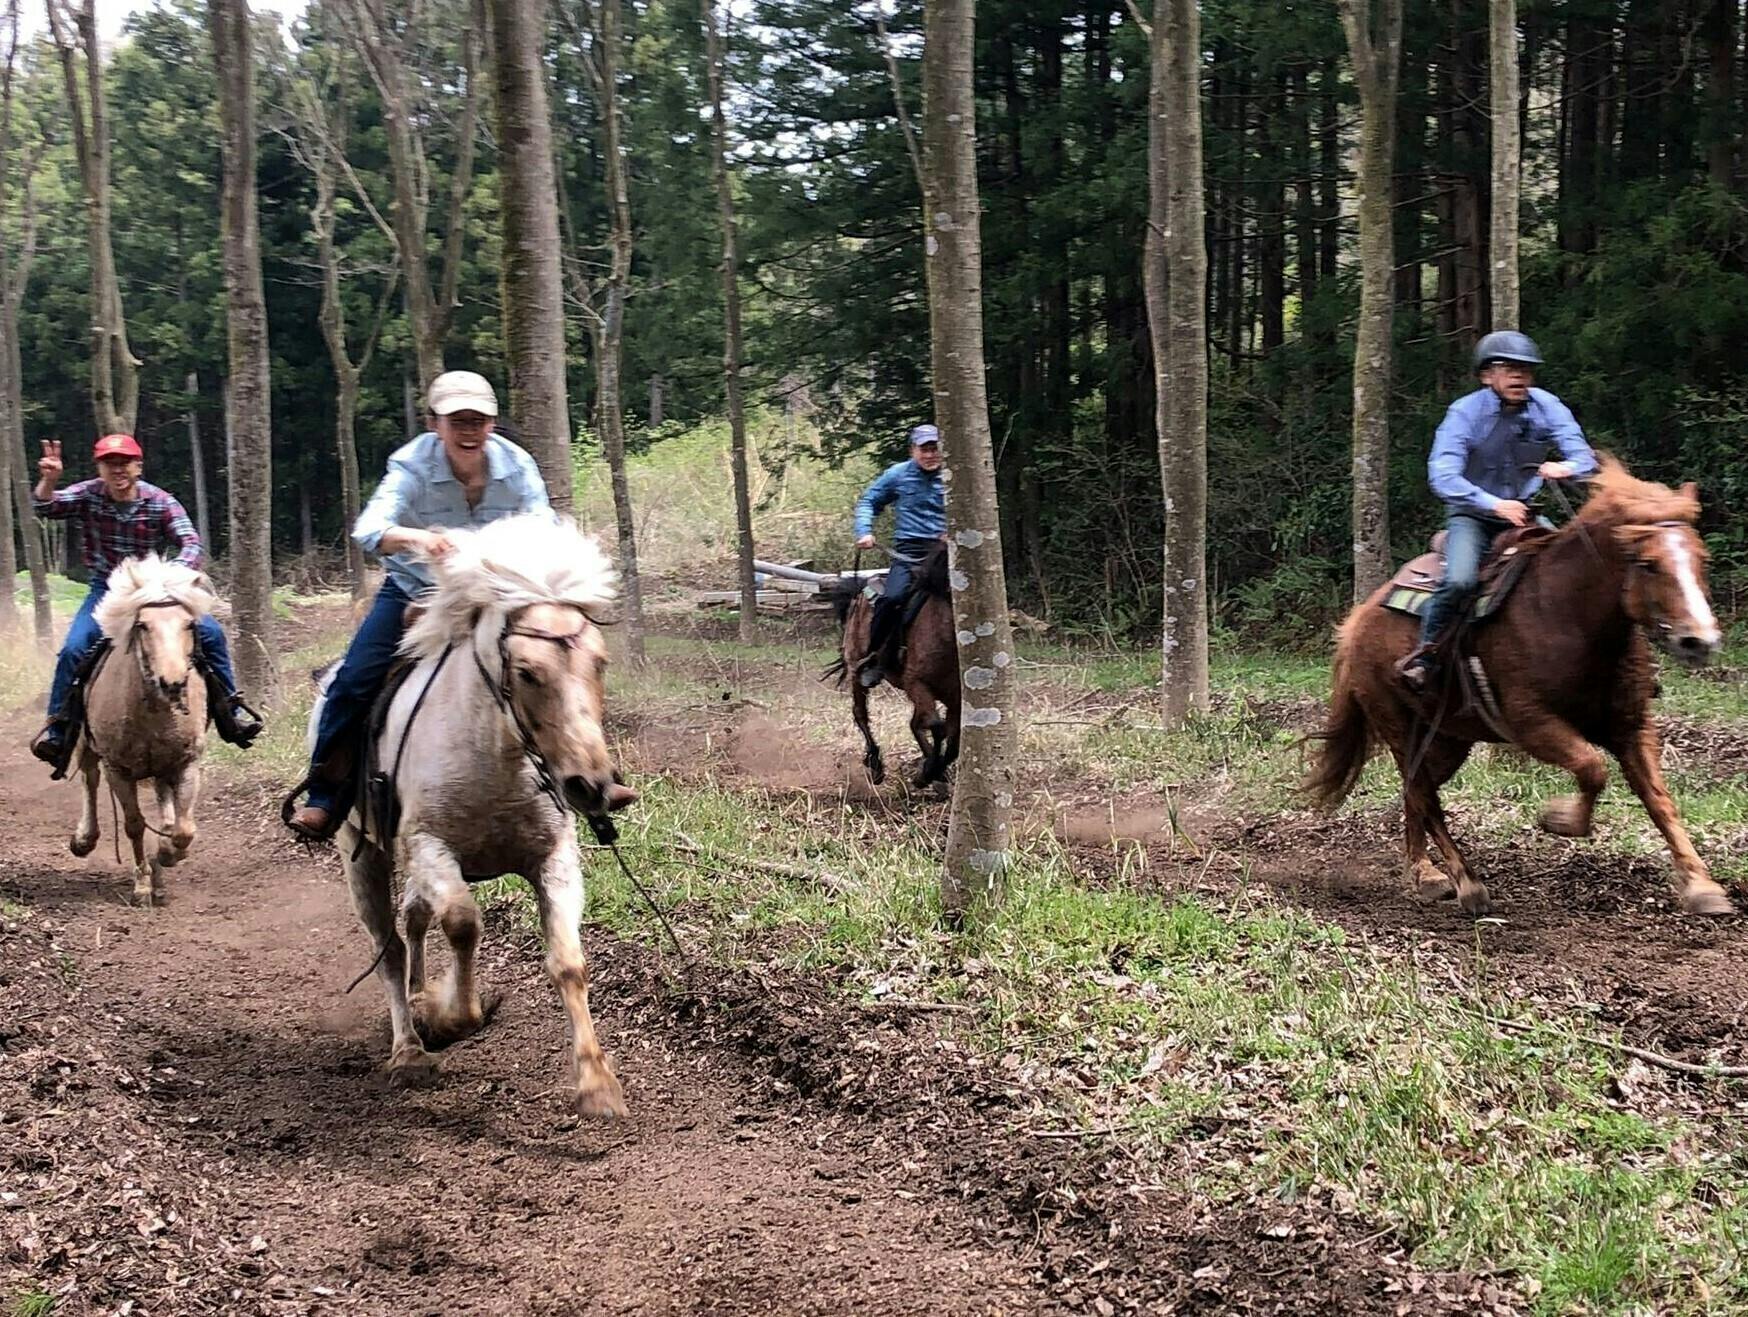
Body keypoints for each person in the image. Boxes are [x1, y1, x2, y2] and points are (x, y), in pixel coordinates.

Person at [285, 371, 553, 839]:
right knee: (353, 681)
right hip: (415, 592)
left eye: (478, 420)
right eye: (457, 420)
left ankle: (587, 775)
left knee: (559, 661)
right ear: (435, 423)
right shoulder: (410, 465)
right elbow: (370, 529)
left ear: (491, 424)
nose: (468, 430)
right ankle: (326, 797)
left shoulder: (518, 466)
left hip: (496, 594)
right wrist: (418, 538)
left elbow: (543, 526)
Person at [28, 433, 263, 773]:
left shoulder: (160, 501)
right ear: (100, 468)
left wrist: (170, 576)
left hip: (155, 590)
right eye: (110, 464)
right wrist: (48, 481)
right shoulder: (88, 494)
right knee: (74, 648)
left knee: (210, 633)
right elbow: (46, 506)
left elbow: (191, 544)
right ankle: (59, 730)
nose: (118, 470)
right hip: (107, 592)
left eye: (124, 463)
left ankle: (231, 710)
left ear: (138, 466)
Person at [1399, 331, 1598, 692]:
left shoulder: (1547, 405)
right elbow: (1442, 475)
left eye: (1525, 369)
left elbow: (1583, 456)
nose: (1519, 376)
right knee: (1460, 580)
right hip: (1472, 516)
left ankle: (1598, 663)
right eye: (1508, 368)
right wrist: (1494, 504)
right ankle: (1426, 654)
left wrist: (1566, 468)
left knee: (1574, 572)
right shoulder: (1465, 412)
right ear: (1486, 376)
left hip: (1525, 515)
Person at [852, 423, 946, 689]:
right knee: (892, 597)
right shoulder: (898, 474)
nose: (930, 455)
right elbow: (869, 501)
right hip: (909, 552)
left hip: (947, 551)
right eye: (924, 449)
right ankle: (877, 657)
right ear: (913, 450)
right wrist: (864, 531)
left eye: (935, 449)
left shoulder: (955, 474)